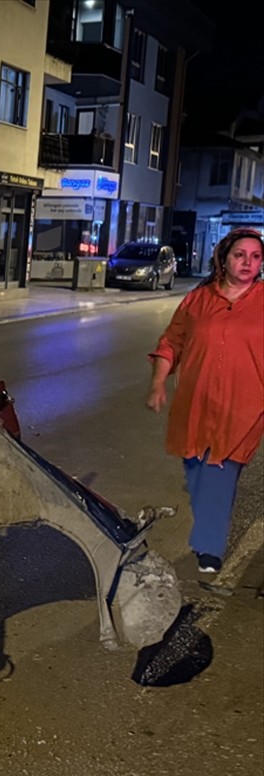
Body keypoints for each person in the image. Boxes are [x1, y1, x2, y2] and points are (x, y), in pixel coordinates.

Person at [146, 227, 264, 575]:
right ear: (223, 258)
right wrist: (157, 384)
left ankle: (209, 548)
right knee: (197, 472)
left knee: (221, 472)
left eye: (256, 257)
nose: (248, 263)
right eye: (240, 255)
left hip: (245, 407)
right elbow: (171, 343)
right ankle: (207, 532)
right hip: (195, 405)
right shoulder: (198, 301)